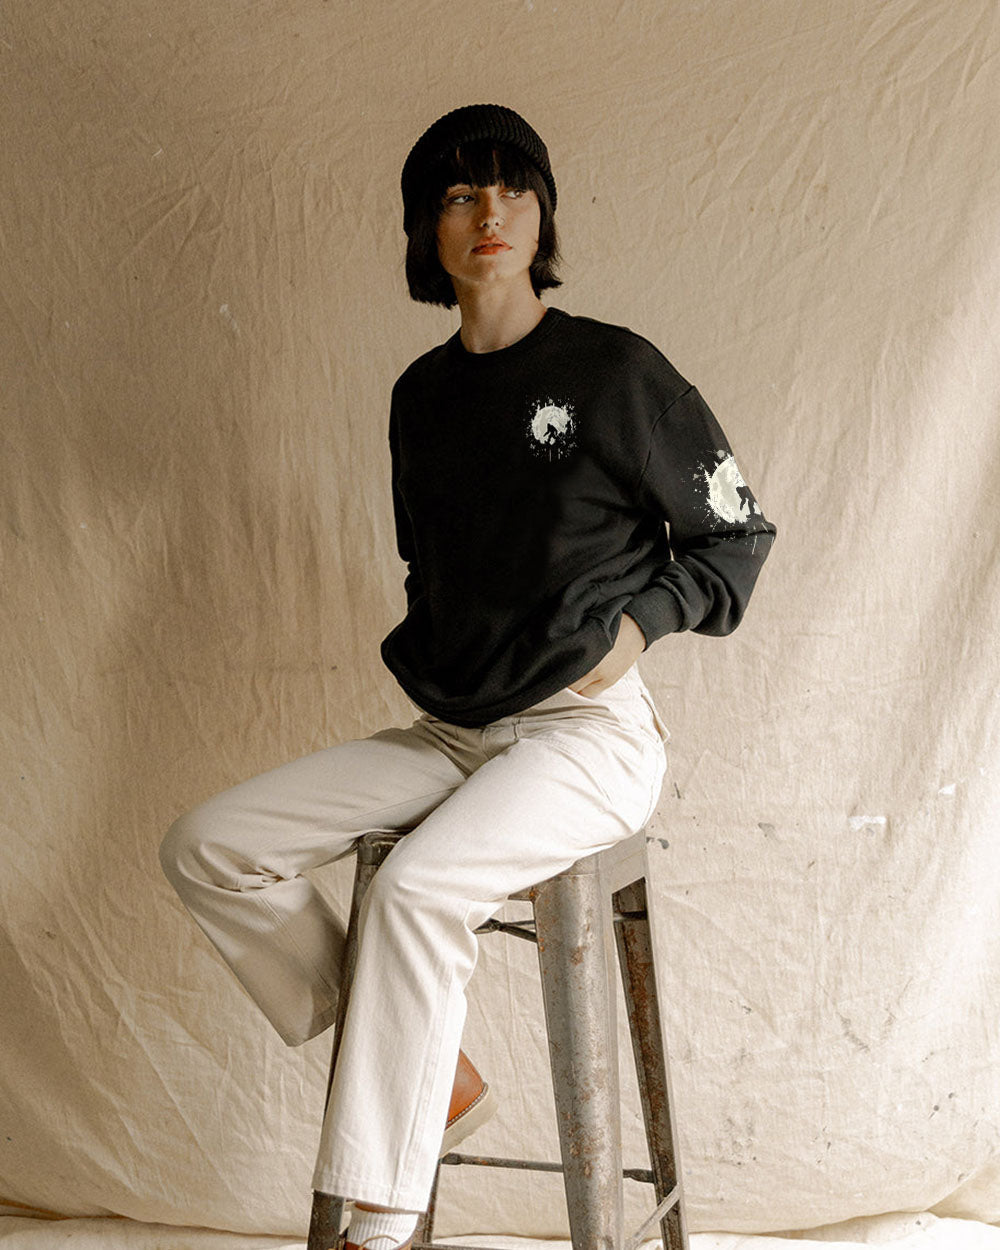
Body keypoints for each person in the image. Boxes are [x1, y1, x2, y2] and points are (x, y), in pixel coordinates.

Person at [159, 103, 776, 1250]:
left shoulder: (613, 370)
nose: (488, 212)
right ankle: (429, 1066)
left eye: (510, 188)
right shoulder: (420, 397)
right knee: (209, 844)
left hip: (585, 735)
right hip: (454, 733)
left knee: (412, 889)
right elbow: (427, 565)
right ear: (426, 230)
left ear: (540, 217)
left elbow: (734, 533)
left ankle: (379, 1225)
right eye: (457, 194)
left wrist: (635, 629)